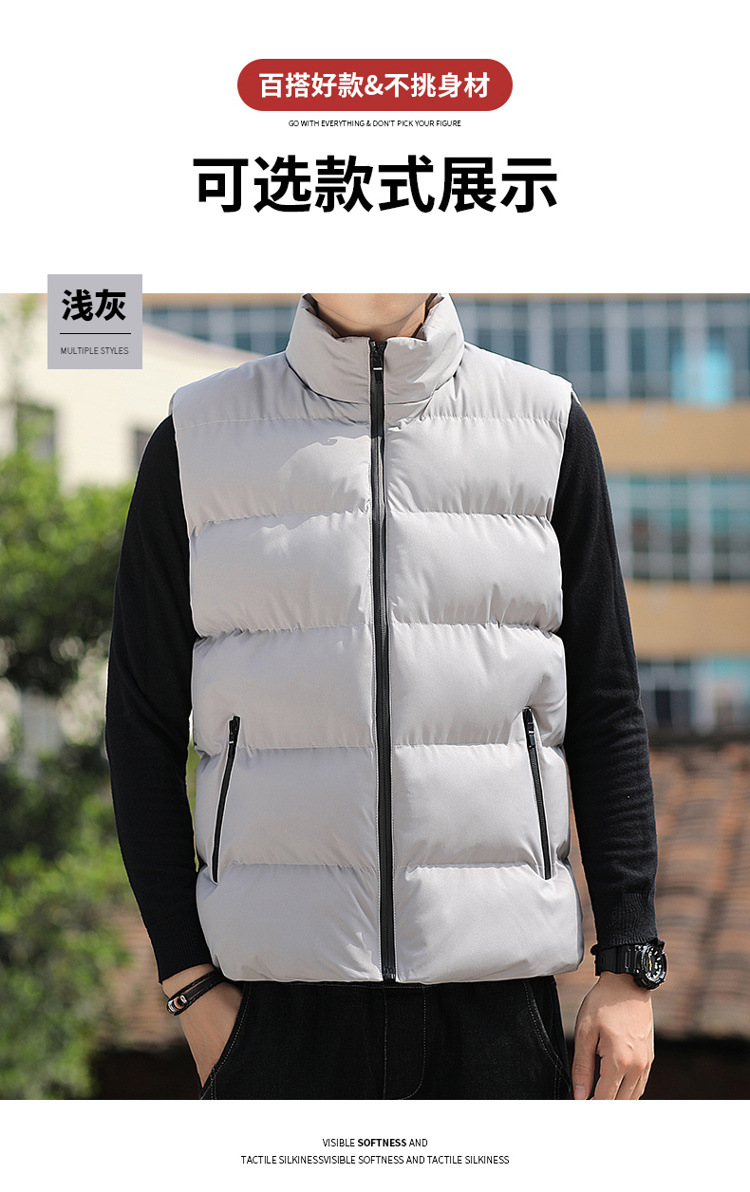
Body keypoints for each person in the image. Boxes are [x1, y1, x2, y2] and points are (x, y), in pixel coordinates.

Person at [104, 292, 666, 1101]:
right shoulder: (197, 438)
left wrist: (630, 961)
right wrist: (188, 982)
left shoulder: (545, 425)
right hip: (273, 1015)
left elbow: (607, 706)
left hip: (498, 1010)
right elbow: (140, 726)